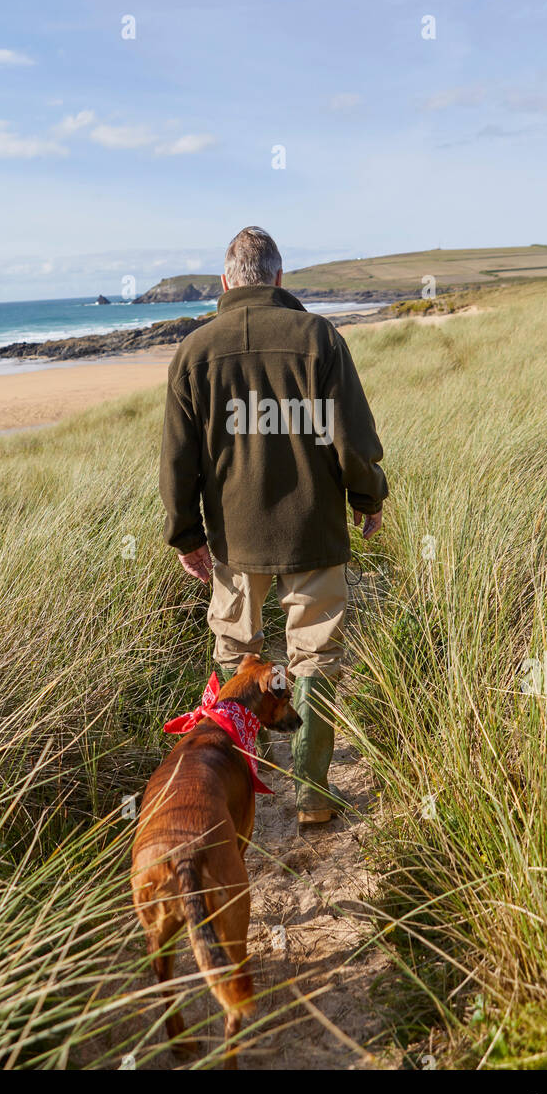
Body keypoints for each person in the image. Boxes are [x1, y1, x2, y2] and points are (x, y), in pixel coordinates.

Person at [160, 226, 388, 826]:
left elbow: (178, 460)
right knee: (313, 659)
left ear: (227, 280)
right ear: (280, 278)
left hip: (235, 542)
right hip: (315, 530)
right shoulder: (320, 339)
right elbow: (354, 442)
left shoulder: (194, 352)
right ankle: (313, 799)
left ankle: (239, 792)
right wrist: (369, 499)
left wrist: (187, 534)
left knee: (239, 656)